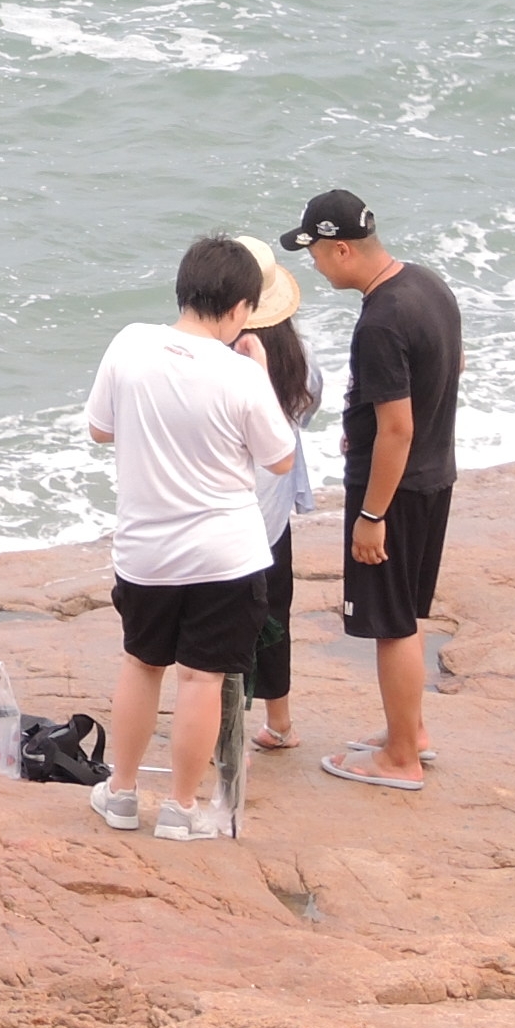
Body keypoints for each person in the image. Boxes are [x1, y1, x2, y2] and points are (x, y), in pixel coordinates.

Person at [81, 233, 297, 840]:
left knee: (141, 664)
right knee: (201, 680)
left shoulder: (128, 344)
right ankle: (180, 809)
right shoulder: (240, 375)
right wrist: (257, 372)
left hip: (145, 552)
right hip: (225, 557)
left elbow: (100, 430)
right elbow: (279, 459)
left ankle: (120, 794)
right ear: (238, 311)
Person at [283, 187, 462, 791]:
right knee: (407, 612)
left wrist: (371, 514)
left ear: (340, 249)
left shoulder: (381, 320)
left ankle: (401, 758)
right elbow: (452, 365)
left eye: (312, 251)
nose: (310, 263)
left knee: (392, 625)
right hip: (437, 475)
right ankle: (411, 732)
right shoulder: (427, 285)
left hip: (397, 489)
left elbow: (397, 427)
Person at [239, 242, 321, 755]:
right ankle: (280, 722)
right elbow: (306, 412)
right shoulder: (298, 358)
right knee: (273, 615)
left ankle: (213, 727)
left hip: (221, 515)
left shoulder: (220, 360)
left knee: (218, 625)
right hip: (270, 516)